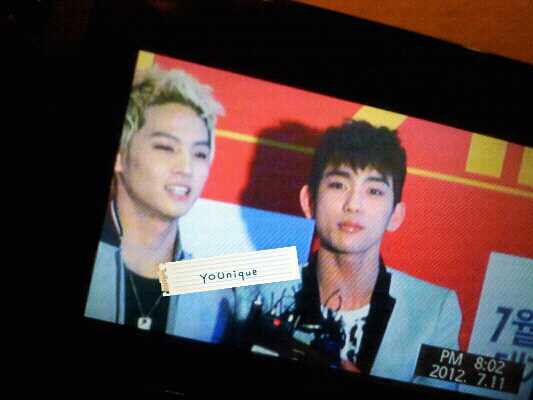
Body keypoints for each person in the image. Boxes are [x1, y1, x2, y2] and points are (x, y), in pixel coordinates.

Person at [237, 120, 462, 390]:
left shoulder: (435, 309)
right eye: (338, 185)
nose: (354, 204)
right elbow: (186, 278)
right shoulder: (251, 279)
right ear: (309, 201)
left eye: (374, 191)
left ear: (396, 215)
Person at [85, 64, 234, 343]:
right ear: (120, 157)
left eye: (200, 154)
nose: (186, 168)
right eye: (166, 147)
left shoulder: (215, 301)